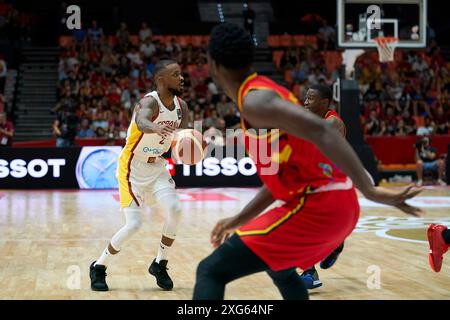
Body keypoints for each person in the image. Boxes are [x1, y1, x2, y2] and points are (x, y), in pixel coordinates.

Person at [193, 22, 422, 300]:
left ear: (212, 64)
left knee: (211, 271)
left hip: (320, 206)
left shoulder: (255, 102)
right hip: (335, 204)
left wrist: (371, 190)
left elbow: (323, 129)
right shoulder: (258, 98)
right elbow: (282, 181)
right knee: (280, 269)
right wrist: (238, 219)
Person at [89, 60, 190, 292]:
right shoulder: (149, 102)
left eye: (181, 73)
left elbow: (184, 136)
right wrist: (155, 127)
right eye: (176, 74)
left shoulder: (181, 106)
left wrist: (193, 145)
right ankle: (98, 266)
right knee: (134, 224)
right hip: (131, 169)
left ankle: (159, 263)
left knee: (175, 209)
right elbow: (142, 121)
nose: (181, 78)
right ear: (161, 80)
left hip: (157, 168)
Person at [298, 84, 346, 289]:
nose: (305, 102)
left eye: (310, 99)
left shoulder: (333, 122)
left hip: (332, 182)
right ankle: (314, 266)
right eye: (305, 98)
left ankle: (314, 267)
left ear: (324, 102)